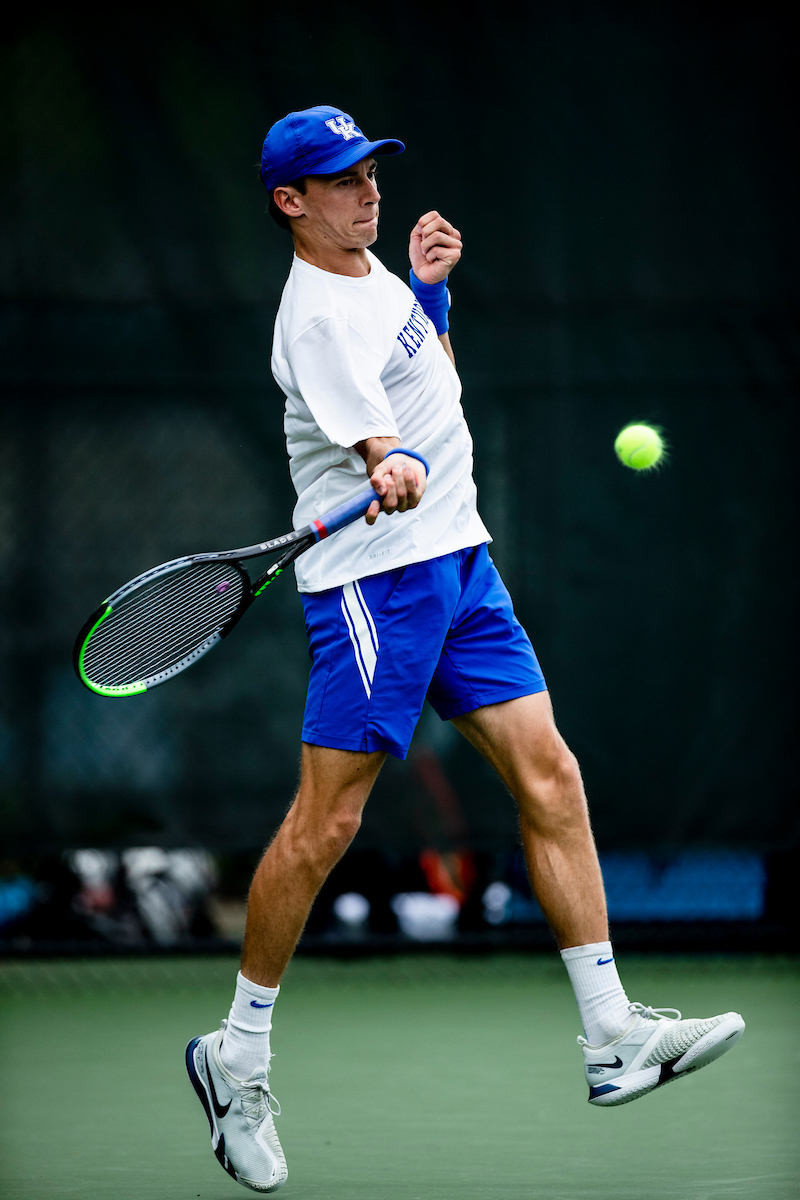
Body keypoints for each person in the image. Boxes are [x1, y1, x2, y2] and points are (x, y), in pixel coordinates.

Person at [185, 105, 745, 1193]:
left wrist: (430, 296)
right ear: (288, 202)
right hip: (375, 586)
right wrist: (382, 462)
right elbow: (377, 436)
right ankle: (236, 1054)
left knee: (552, 776)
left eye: (369, 172)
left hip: (459, 565)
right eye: (339, 180)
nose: (367, 191)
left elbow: (427, 382)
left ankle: (610, 1034)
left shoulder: (376, 278)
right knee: (328, 821)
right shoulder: (312, 318)